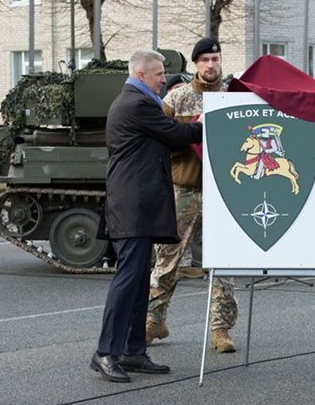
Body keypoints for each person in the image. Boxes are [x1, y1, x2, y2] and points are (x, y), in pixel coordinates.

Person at [91, 49, 202, 383]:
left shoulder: (138, 103)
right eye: (157, 74)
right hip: (132, 208)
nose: (163, 79)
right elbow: (176, 135)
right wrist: (209, 123)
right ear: (140, 74)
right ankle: (105, 353)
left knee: (139, 281)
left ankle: (133, 351)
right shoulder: (136, 104)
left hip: (139, 207)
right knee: (127, 282)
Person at [146, 38, 239, 353]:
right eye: (205, 60)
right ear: (196, 65)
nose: (211, 65)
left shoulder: (232, 98)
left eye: (215, 59)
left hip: (223, 191)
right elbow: (156, 139)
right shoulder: (177, 98)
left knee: (224, 262)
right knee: (168, 258)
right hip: (184, 188)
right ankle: (153, 320)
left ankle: (220, 330)